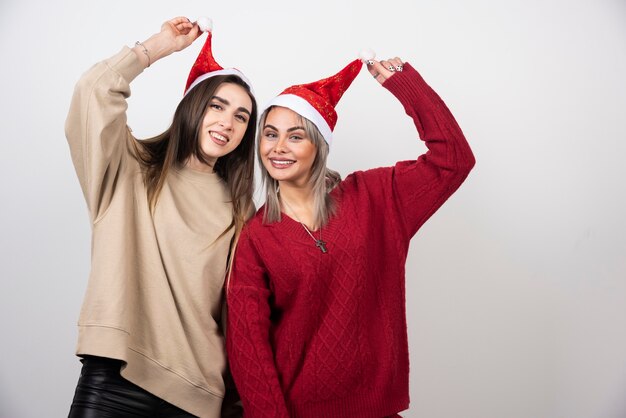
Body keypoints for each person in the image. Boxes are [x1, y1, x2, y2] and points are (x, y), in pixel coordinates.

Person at [225, 52, 475, 417]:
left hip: (378, 410)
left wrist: (405, 85)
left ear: (318, 145)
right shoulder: (256, 238)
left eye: (295, 136)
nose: (278, 147)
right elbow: (250, 350)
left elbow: (454, 160)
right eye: (270, 134)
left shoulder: (377, 197)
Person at [65, 16, 256, 418]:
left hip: (199, 395)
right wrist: (159, 45)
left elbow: (242, 315)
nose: (227, 121)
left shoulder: (240, 210)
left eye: (241, 117)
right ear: (193, 107)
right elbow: (93, 92)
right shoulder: (129, 167)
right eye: (217, 106)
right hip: (116, 379)